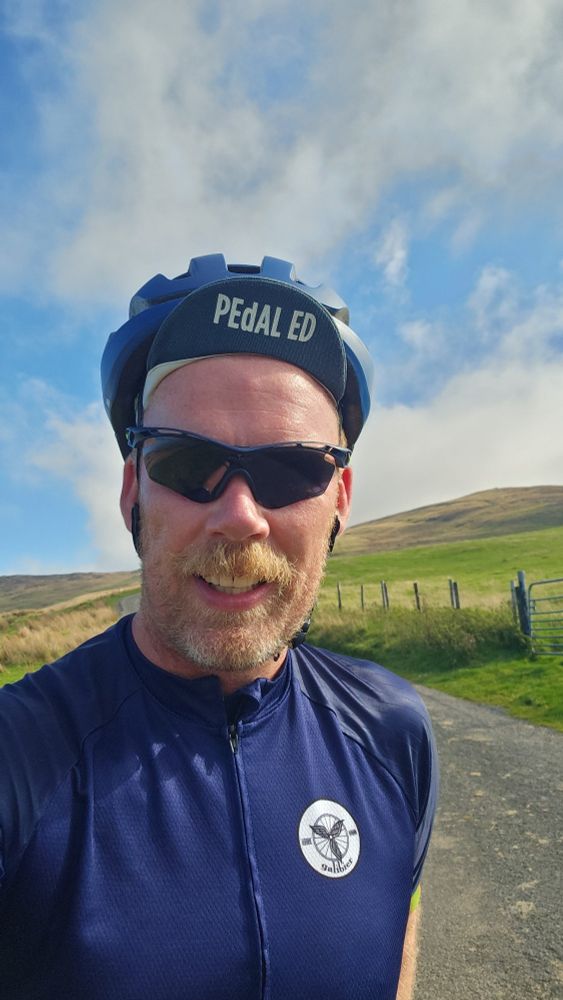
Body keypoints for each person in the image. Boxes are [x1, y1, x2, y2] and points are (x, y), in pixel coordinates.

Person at [0, 254, 438, 1000]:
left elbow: (397, 940)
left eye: (291, 470)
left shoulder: (395, 732)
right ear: (133, 488)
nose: (239, 514)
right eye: (188, 460)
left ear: (339, 498)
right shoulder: (20, 760)